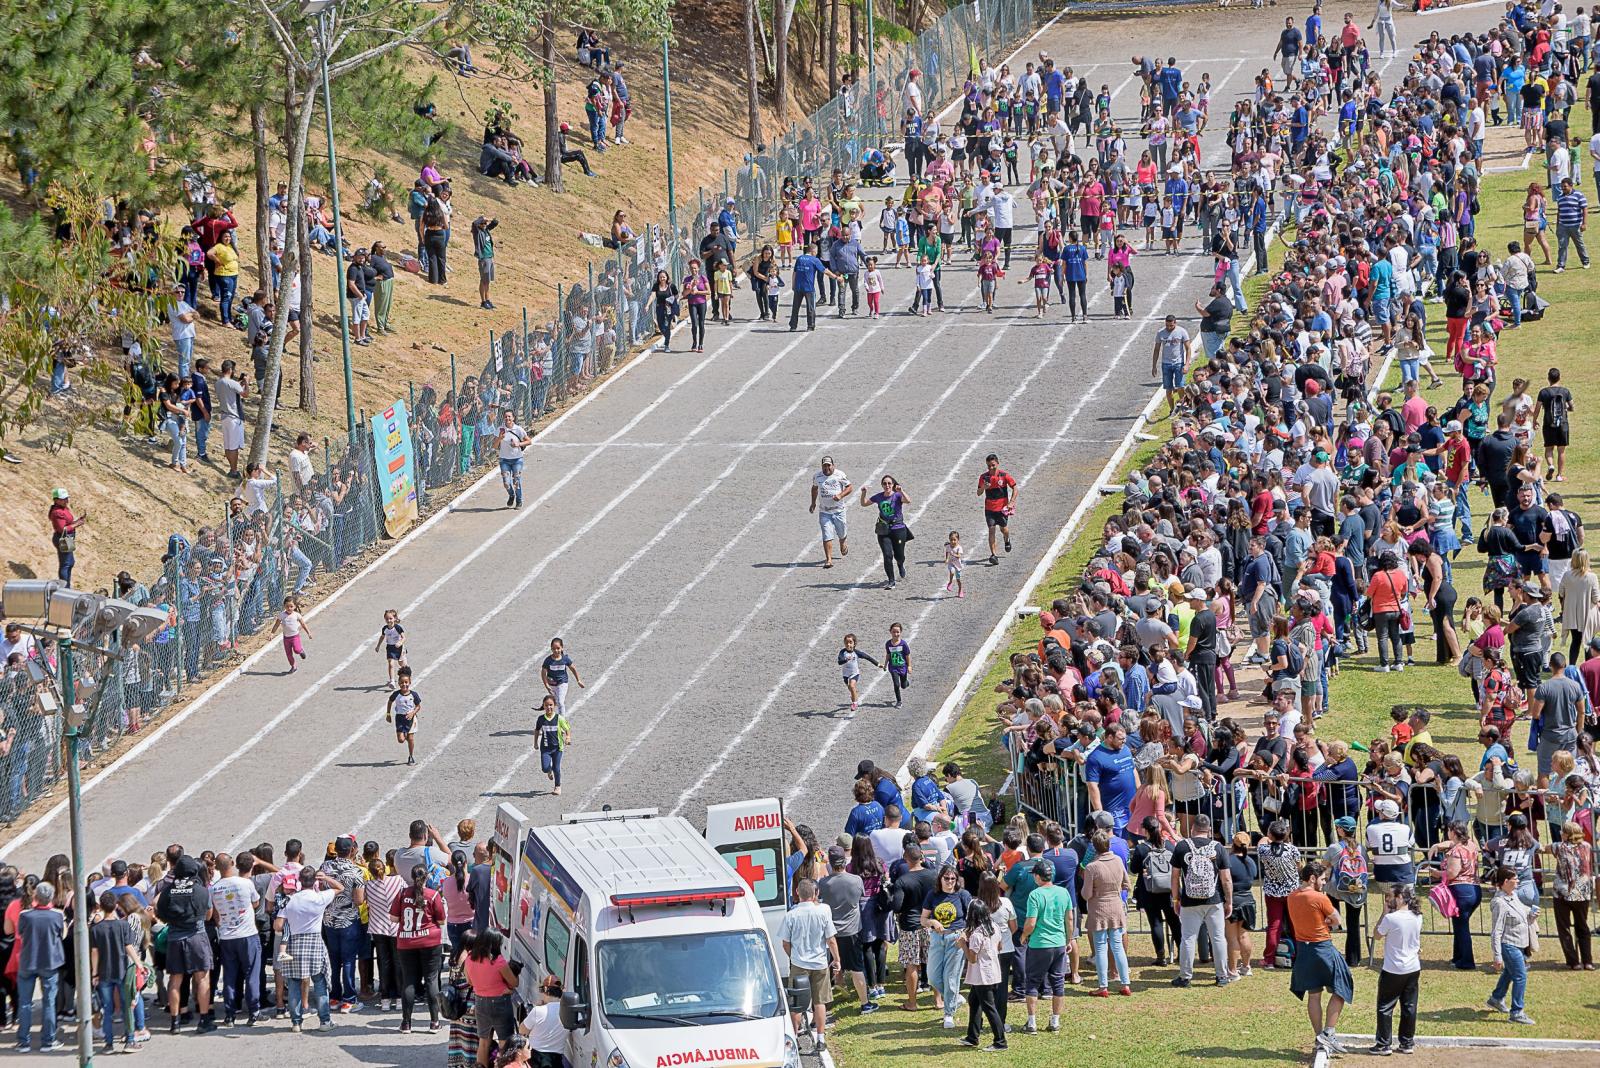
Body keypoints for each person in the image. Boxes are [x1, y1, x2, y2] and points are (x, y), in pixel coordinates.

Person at [1288, 860, 1353, 1054]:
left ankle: (1319, 1037)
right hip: (1323, 948)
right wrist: (1325, 920)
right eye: (1323, 879)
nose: (1324, 883)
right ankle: (1328, 1033)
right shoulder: (1319, 897)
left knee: (1314, 995)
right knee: (1342, 988)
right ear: (1312, 878)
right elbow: (1337, 921)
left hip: (1303, 950)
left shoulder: (1292, 897)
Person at [276, 863, 346, 1033]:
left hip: (294, 942)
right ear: (313, 880)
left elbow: (278, 926)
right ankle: (324, 1021)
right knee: (319, 983)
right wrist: (326, 878)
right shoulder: (319, 897)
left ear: (300, 881)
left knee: (293, 984)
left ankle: (296, 1022)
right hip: (314, 941)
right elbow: (340, 888)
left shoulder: (290, 900)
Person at [1170, 813, 1231, 988]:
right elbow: (1226, 879)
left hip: (1190, 900)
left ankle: (1185, 976)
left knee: (1188, 938)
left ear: (1192, 828)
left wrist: (1176, 899)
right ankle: (1221, 976)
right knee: (1218, 937)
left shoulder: (1182, 847)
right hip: (1214, 899)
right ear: (1209, 829)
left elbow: (1174, 877)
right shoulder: (1217, 848)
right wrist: (1228, 901)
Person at [780, 878, 838, 1051]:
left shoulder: (791, 915)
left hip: (799, 963)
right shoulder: (823, 912)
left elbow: (785, 943)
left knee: (796, 1004)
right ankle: (820, 1038)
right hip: (819, 963)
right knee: (819, 1002)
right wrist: (837, 959)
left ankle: (795, 1037)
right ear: (816, 893)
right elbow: (831, 939)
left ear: (797, 892)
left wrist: (794, 956)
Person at [390, 862, 446, 1033]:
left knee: (409, 981)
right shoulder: (433, 894)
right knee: (431, 980)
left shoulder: (402, 893)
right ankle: (434, 1022)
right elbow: (442, 920)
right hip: (430, 941)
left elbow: (393, 918)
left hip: (406, 942)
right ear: (426, 877)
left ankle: (406, 1022)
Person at [818, 846, 874, 1014]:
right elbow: (860, 897)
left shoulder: (823, 883)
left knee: (828, 967)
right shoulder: (856, 880)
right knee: (857, 968)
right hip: (851, 931)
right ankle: (865, 1003)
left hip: (830, 933)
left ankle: (825, 1005)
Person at [1019, 859, 1072, 1035]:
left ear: (1037, 876)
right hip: (1059, 943)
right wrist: (1068, 940)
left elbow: (1031, 923)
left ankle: (1032, 1021)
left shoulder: (1035, 895)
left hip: (1039, 944)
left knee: (1032, 981)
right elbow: (1069, 919)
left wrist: (1024, 935)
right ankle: (1055, 1020)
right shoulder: (1064, 892)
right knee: (1058, 982)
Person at [1371, 884, 1423, 1056]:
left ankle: (1383, 1044)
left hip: (1393, 968)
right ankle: (1407, 1042)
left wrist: (1384, 912)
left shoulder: (1391, 918)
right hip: (1413, 967)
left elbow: (1377, 935)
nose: (1388, 901)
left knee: (1385, 1006)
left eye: (1390, 897)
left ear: (1400, 897)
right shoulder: (1417, 916)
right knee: (1409, 1005)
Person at [14, 881, 65, 1053]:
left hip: (28, 961)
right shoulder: (57, 915)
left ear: (36, 896)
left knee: (25, 1003)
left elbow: (20, 934)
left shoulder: (25, 915)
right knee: (49, 1002)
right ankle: (48, 1040)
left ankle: (23, 1041)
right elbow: (62, 934)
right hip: (49, 962)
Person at [1082, 829, 1133, 997]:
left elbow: (1086, 894)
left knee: (1100, 947)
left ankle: (1103, 985)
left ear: (1094, 848)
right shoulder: (1118, 860)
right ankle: (1125, 983)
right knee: (1118, 946)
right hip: (1116, 907)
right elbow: (1127, 884)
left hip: (1099, 909)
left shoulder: (1091, 867)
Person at [1487, 866, 1538, 1025]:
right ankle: (1517, 1012)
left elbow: (1522, 917)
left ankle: (1496, 998)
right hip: (1509, 945)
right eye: (1514, 879)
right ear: (1505, 882)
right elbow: (1496, 931)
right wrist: (1497, 955)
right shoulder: (1499, 903)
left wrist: (1531, 916)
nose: (1518, 881)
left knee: (1510, 973)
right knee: (1520, 976)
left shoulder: (1514, 896)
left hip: (1520, 943)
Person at [956, 899, 1007, 1050]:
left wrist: (963, 945)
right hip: (992, 971)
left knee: (989, 1007)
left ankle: (1000, 1041)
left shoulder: (977, 934)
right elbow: (999, 946)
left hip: (982, 976)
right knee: (974, 1001)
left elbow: (972, 959)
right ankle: (972, 1036)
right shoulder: (994, 927)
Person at [464, 930, 518, 1067]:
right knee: (504, 1043)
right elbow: (513, 982)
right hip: (500, 1002)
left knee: (483, 1042)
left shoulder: (469, 958)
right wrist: (510, 988)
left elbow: (469, 981)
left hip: (480, 1002)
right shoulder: (498, 961)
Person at [861, 475, 913, 590]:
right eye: (885, 483)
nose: (887, 486)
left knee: (899, 556)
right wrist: (864, 492)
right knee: (887, 555)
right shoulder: (878, 497)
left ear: (893, 485)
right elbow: (864, 503)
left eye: (889, 483)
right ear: (882, 485)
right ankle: (891, 580)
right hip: (884, 530)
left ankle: (900, 564)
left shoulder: (898, 495)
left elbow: (908, 500)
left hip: (898, 529)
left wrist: (901, 491)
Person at [810, 456, 852, 569]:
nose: (827, 467)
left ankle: (842, 542)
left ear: (833, 465)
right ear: (822, 466)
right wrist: (813, 503)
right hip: (824, 511)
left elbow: (849, 487)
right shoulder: (817, 476)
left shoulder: (840, 475)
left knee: (841, 532)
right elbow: (814, 489)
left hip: (839, 511)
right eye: (825, 465)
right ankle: (829, 560)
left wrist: (840, 495)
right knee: (827, 535)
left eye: (829, 465)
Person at [977, 454, 1017, 566]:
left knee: (1004, 530)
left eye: (993, 465)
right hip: (989, 509)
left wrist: (1012, 501)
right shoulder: (984, 477)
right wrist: (984, 487)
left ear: (998, 463)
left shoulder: (1004, 476)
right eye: (988, 466)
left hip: (1002, 509)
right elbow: (978, 493)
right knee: (991, 530)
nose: (991, 468)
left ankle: (1007, 539)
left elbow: (1014, 487)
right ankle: (993, 555)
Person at [1151, 313, 1191, 416]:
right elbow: (1156, 349)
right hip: (1166, 364)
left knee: (1181, 386)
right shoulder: (1160, 333)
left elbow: (1188, 348)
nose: (1169, 327)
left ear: (1175, 323)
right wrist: (1154, 366)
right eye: (1167, 325)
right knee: (1168, 389)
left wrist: (1187, 364)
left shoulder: (1182, 332)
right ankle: (1172, 409)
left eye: (1171, 326)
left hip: (1178, 363)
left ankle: (1182, 407)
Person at [495, 408, 532, 509]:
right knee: (506, 483)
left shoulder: (518, 429)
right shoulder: (500, 429)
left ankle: (519, 500)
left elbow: (529, 441)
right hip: (504, 460)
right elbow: (494, 446)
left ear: (513, 418)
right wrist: (499, 438)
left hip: (517, 460)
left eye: (509, 416)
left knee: (516, 480)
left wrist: (518, 444)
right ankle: (511, 495)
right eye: (506, 416)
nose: (507, 418)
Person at [46, 489, 84, 584]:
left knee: (70, 562)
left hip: (68, 538)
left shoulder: (63, 508)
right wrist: (77, 524)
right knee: (66, 564)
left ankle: (66, 584)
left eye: (66, 498)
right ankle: (64, 587)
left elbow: (68, 523)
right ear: (56, 500)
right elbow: (62, 529)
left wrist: (76, 521)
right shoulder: (57, 512)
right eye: (63, 499)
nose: (66, 501)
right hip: (63, 538)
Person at [534, 695, 569, 795]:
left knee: (556, 768)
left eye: (551, 705)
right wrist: (535, 743)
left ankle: (557, 786)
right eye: (546, 705)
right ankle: (549, 771)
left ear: (555, 705)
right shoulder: (541, 719)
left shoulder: (559, 718)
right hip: (545, 748)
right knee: (545, 768)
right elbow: (536, 730)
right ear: (543, 706)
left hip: (558, 748)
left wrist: (568, 737)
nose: (549, 707)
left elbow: (567, 729)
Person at [539, 637, 582, 716]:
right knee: (554, 703)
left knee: (560, 702)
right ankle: (552, 720)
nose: (556, 650)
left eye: (558, 648)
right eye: (554, 648)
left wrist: (578, 680)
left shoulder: (565, 659)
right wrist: (547, 686)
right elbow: (543, 673)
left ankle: (563, 722)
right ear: (551, 649)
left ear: (562, 648)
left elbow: (573, 668)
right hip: (552, 685)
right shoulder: (548, 660)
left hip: (562, 683)